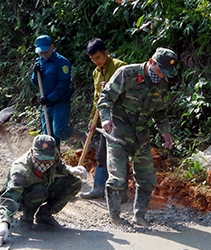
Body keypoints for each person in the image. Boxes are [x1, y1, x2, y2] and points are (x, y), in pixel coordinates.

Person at [97, 47, 178, 227]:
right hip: (118, 133)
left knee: (148, 178)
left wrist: (165, 131)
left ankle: (139, 216)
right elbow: (105, 98)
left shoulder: (161, 84)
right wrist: (106, 119)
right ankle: (115, 216)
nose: (161, 76)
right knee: (117, 179)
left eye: (165, 74)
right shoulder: (127, 73)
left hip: (141, 136)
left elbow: (160, 112)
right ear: (151, 62)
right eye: (159, 71)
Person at [0, 134, 85, 241]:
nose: (44, 163)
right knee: (38, 190)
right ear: (32, 152)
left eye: (48, 161)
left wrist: (70, 170)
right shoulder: (20, 171)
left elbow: (59, 165)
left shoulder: (52, 154)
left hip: (45, 186)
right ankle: (26, 219)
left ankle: (44, 216)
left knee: (74, 183)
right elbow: (10, 198)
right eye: (40, 160)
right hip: (22, 198)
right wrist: (4, 224)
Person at [80, 38, 127, 200]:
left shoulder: (121, 67)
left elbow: (130, 92)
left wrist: (112, 88)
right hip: (104, 120)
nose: (96, 61)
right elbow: (97, 98)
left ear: (106, 53)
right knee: (101, 155)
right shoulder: (95, 72)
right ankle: (98, 188)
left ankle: (122, 193)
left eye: (98, 57)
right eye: (92, 59)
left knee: (118, 156)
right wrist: (93, 118)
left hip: (121, 119)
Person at [30, 35, 86, 148]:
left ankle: (82, 136)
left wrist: (50, 98)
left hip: (60, 102)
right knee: (49, 136)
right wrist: (35, 74)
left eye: (45, 51)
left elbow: (63, 85)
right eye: (40, 52)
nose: (42, 54)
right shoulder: (39, 62)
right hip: (46, 104)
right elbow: (35, 83)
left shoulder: (62, 63)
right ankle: (55, 158)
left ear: (52, 47)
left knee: (59, 130)